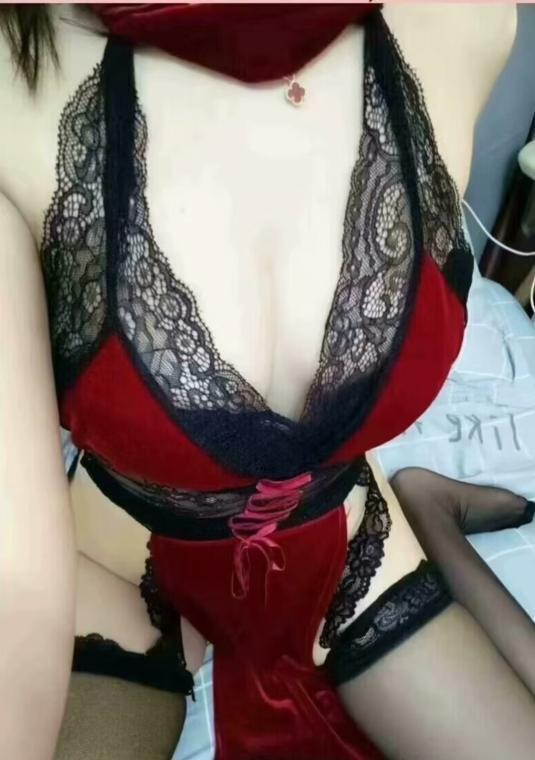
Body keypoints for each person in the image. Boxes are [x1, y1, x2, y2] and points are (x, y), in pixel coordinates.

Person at [1, 4, 535, 760]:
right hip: (123, 557)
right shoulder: (15, 84)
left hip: (345, 543)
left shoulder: (461, 20)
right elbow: (16, 589)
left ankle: (428, 509)